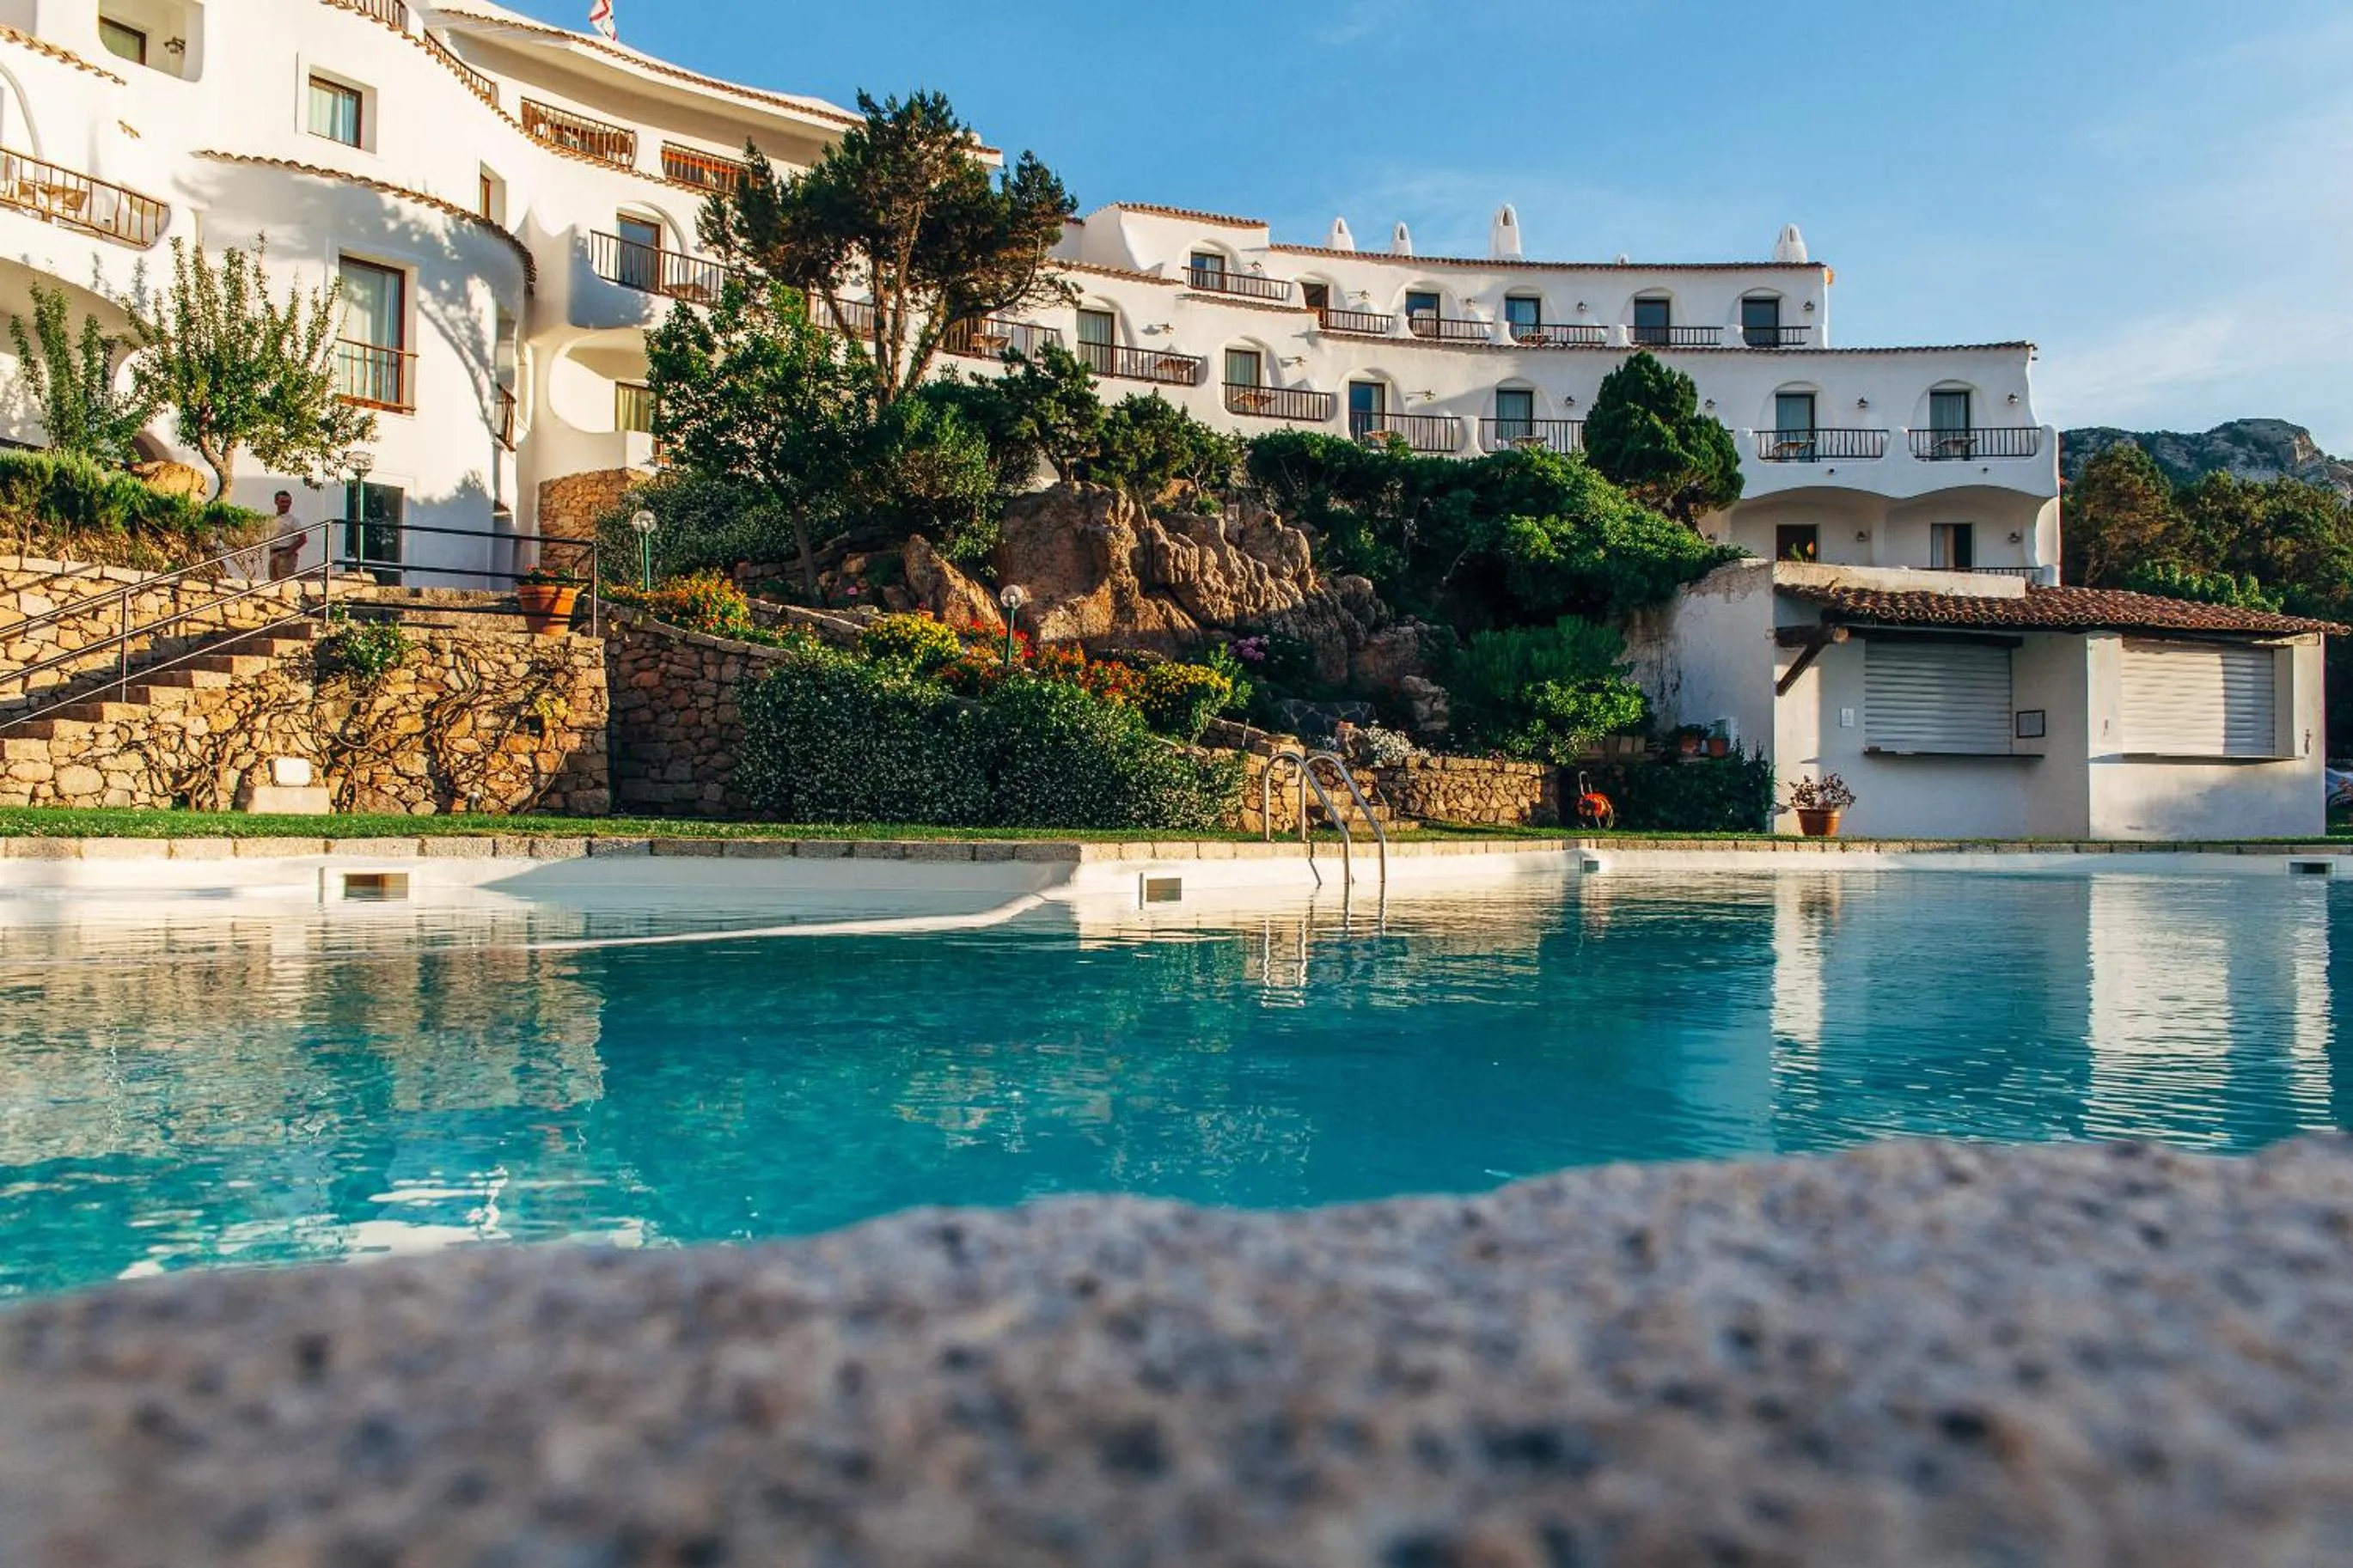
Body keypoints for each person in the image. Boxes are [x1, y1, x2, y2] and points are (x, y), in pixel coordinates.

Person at [266, 491, 305, 581]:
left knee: (286, 583)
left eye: (288, 502)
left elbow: (303, 539)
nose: (286, 504)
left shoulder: (293, 520)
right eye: (283, 501)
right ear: (276, 502)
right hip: (273, 554)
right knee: (273, 584)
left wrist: (287, 553)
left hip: (285, 555)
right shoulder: (272, 519)